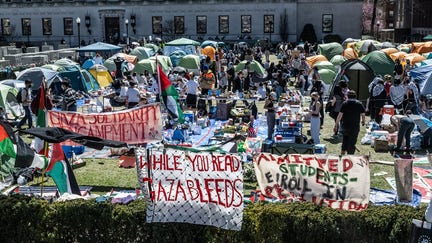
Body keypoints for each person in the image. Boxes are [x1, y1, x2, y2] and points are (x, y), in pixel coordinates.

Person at [334, 90, 366, 155]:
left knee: (345, 140)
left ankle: (342, 155)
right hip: (355, 126)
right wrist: (363, 121)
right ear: (355, 96)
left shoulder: (345, 103)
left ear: (348, 96)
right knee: (352, 142)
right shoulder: (359, 103)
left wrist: (336, 124)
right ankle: (350, 157)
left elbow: (340, 115)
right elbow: (363, 114)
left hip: (345, 126)